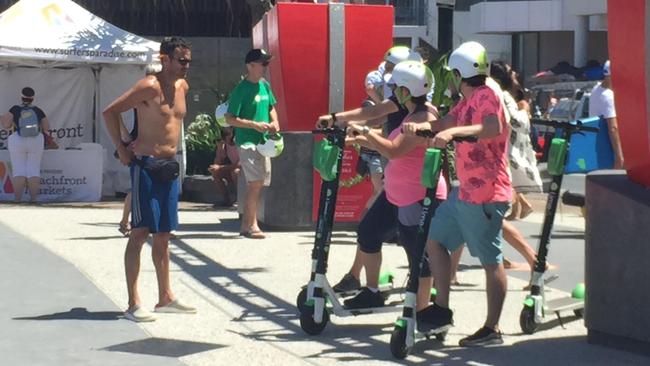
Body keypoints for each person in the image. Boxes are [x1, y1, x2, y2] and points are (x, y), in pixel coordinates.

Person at [404, 41, 511, 347]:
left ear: (458, 73)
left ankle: (493, 329)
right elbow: (447, 122)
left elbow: (490, 127)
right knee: (434, 240)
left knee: (491, 261)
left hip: (487, 193)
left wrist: (450, 134)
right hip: (464, 193)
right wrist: (422, 129)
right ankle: (441, 309)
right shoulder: (468, 98)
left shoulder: (488, 93)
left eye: (451, 74)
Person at [318, 60, 444, 313]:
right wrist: (346, 127)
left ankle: (419, 312)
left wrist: (366, 133)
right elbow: (375, 121)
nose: (392, 89)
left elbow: (394, 151)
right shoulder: (408, 111)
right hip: (395, 193)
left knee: (417, 254)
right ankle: (372, 292)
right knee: (368, 232)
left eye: (396, 86)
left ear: (406, 90)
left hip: (417, 196)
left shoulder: (424, 117)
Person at [103, 37, 196, 322]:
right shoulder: (148, 86)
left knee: (164, 234)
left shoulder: (182, 86)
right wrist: (122, 147)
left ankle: (165, 297)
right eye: (182, 60)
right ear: (164, 59)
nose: (186, 66)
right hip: (145, 166)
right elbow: (110, 111)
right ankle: (133, 303)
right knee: (140, 232)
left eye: (189, 61)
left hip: (169, 166)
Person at [225, 48, 280, 239]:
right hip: (247, 141)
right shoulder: (241, 89)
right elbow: (229, 118)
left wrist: (275, 122)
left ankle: (245, 225)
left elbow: (271, 106)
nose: (266, 67)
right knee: (255, 182)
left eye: (267, 63)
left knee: (258, 184)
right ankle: (252, 225)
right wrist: (253, 125)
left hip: (264, 142)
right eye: (263, 63)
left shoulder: (264, 85)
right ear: (250, 66)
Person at [490, 61, 542, 220]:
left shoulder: (502, 94)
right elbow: (516, 120)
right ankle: (520, 208)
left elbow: (514, 120)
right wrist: (524, 110)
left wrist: (524, 109)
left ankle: (519, 208)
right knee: (508, 177)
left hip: (507, 141)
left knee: (508, 177)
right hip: (507, 142)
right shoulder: (502, 94)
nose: (513, 75)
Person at [0, 87, 52, 203]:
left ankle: (17, 199)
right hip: (36, 140)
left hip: (17, 139)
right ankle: (33, 199)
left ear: (21, 96)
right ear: (33, 98)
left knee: (18, 170)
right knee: (34, 169)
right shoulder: (38, 110)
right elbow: (46, 127)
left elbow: (7, 125)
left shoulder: (14, 109)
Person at [589, 60, 624, 169]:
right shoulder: (608, 96)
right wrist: (619, 156)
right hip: (608, 147)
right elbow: (613, 128)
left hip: (598, 145)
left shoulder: (596, 89)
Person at [208, 127, 240, 207]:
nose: (229, 139)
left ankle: (239, 199)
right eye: (226, 136)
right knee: (215, 173)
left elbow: (240, 164)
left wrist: (220, 167)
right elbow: (217, 163)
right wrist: (220, 151)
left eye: (230, 136)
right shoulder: (225, 146)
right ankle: (226, 200)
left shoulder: (239, 144)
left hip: (243, 170)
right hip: (232, 169)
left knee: (235, 172)